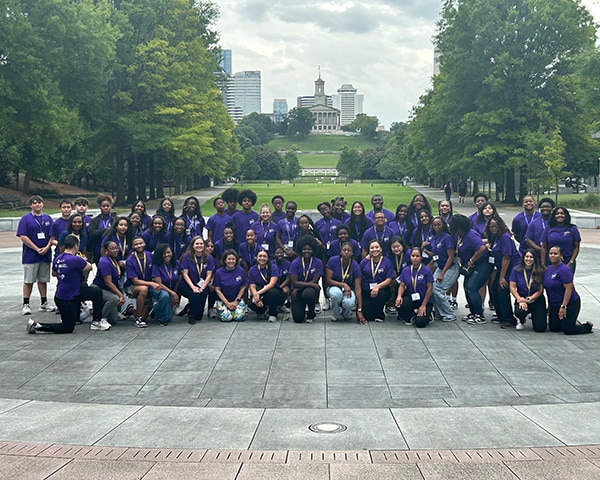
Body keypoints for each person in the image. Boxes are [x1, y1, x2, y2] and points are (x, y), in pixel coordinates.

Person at [27, 235, 103, 334]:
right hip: (68, 297)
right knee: (68, 327)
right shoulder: (75, 259)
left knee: (95, 292)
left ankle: (82, 317)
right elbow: (89, 267)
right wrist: (82, 259)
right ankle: (38, 325)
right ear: (76, 246)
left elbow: (54, 273)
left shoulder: (58, 258)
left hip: (63, 294)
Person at [449, 214, 493, 325]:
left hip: (482, 264)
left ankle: (479, 315)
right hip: (471, 266)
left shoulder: (471, 235)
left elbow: (481, 248)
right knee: (466, 287)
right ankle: (473, 312)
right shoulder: (459, 236)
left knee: (472, 287)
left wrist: (472, 260)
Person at [17, 195, 56, 315]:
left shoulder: (48, 218)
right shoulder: (25, 219)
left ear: (43, 204)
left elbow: (52, 235)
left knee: (43, 279)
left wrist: (47, 247)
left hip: (45, 254)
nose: (37, 205)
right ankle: (26, 304)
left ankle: (44, 302)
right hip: (31, 255)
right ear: (31, 205)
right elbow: (23, 236)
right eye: (34, 203)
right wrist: (36, 248)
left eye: (39, 202)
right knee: (29, 280)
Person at [544, 246, 592, 335]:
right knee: (554, 328)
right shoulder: (548, 269)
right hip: (555, 305)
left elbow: (569, 289)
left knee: (568, 329)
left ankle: (586, 326)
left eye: (555, 253)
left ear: (561, 256)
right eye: (551, 253)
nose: (552, 255)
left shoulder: (565, 270)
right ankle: (567, 320)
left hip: (569, 303)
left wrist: (563, 306)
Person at [485, 215, 521, 328]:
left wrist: (502, 277)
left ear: (500, 226)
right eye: (491, 227)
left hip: (511, 267)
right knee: (494, 289)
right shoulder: (495, 237)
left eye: (495, 226)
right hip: (502, 268)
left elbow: (506, 258)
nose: (493, 229)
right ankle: (500, 315)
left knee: (502, 289)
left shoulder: (505, 237)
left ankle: (509, 319)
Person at [325, 241, 364, 323]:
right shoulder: (333, 260)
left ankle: (345, 312)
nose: (346, 252)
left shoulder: (355, 265)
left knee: (349, 303)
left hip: (349, 290)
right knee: (336, 294)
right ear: (340, 252)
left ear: (352, 253)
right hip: (333, 287)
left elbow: (358, 288)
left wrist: (359, 309)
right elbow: (328, 280)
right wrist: (343, 284)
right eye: (344, 250)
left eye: (349, 250)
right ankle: (336, 313)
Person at [428, 216, 459, 322]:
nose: (436, 227)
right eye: (434, 225)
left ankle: (449, 314)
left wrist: (442, 273)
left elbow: (450, 257)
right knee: (432, 288)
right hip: (440, 266)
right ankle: (438, 313)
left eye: (439, 224)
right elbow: (435, 254)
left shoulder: (447, 238)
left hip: (451, 267)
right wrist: (423, 249)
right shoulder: (434, 237)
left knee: (438, 290)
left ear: (443, 225)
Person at [179, 236, 215, 324]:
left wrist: (202, 288)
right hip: (188, 284)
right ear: (193, 245)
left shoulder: (209, 258)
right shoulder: (187, 256)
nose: (199, 246)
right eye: (197, 244)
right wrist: (193, 287)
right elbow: (185, 274)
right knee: (195, 296)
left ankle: (189, 307)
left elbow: (209, 275)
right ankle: (190, 315)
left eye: (201, 244)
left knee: (199, 317)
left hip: (202, 285)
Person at [509, 249, 547, 332]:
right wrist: (520, 299)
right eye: (527, 257)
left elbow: (540, 291)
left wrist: (529, 299)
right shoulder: (516, 270)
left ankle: (536, 316)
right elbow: (512, 287)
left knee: (540, 328)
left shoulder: (540, 271)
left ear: (535, 259)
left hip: (536, 299)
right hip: (522, 298)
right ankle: (521, 320)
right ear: (523, 258)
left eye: (531, 257)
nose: (529, 259)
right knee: (520, 312)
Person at [396, 247, 434, 327]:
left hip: (424, 300)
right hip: (412, 298)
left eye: (417, 256)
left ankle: (429, 314)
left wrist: (423, 305)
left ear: (421, 257)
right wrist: (399, 296)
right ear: (410, 257)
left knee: (420, 323)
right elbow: (402, 285)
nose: (415, 258)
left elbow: (430, 288)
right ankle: (412, 315)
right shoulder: (406, 270)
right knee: (402, 303)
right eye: (413, 256)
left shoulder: (427, 271)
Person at [289, 236, 323, 323]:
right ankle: (302, 308)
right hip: (297, 291)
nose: (306, 251)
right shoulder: (295, 263)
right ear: (300, 250)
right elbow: (294, 282)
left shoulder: (318, 262)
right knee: (298, 319)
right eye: (304, 249)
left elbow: (315, 281)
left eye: (309, 249)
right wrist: (298, 289)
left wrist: (299, 288)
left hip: (309, 291)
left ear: (313, 250)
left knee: (308, 293)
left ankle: (311, 314)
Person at [359, 239, 395, 322]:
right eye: (372, 248)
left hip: (381, 290)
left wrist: (377, 287)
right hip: (366, 290)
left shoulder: (387, 262)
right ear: (369, 250)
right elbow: (359, 277)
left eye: (377, 247)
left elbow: (389, 279)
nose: (374, 249)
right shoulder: (364, 262)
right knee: (368, 317)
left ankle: (379, 312)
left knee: (380, 295)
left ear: (381, 249)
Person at [92, 240, 125, 329]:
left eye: (116, 248)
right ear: (106, 250)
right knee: (115, 298)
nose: (115, 250)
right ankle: (99, 319)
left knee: (113, 320)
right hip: (99, 288)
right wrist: (120, 295)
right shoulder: (104, 262)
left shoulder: (114, 260)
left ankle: (93, 311)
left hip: (108, 289)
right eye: (112, 249)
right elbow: (108, 282)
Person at [124, 237, 156, 328]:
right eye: (136, 244)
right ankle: (138, 318)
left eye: (141, 243)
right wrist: (151, 284)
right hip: (132, 286)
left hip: (148, 285)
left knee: (145, 317)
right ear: (133, 246)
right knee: (143, 289)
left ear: (144, 244)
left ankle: (131, 311)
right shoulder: (130, 260)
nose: (139, 246)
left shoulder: (150, 256)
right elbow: (135, 281)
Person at [248, 250, 285, 322]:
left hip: (273, 291)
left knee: (272, 293)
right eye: (260, 256)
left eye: (264, 256)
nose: (262, 258)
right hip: (260, 291)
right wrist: (255, 296)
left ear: (268, 258)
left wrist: (257, 293)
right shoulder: (252, 269)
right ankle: (262, 311)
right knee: (251, 303)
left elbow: (272, 284)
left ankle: (272, 313)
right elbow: (252, 286)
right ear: (256, 257)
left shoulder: (273, 267)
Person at [541, 206, 580, 271]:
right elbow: (544, 247)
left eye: (562, 213)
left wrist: (571, 262)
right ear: (554, 216)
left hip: (568, 262)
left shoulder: (572, 228)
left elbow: (576, 247)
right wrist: (543, 264)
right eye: (557, 213)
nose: (559, 215)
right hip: (551, 262)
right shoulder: (548, 228)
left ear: (566, 215)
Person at [213, 249, 248, 322]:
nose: (231, 261)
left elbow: (243, 287)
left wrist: (236, 301)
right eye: (229, 259)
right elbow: (217, 290)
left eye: (233, 259)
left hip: (237, 299)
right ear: (225, 260)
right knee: (227, 318)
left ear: (236, 260)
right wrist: (227, 303)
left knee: (238, 317)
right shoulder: (219, 272)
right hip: (223, 300)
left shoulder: (240, 271)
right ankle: (225, 311)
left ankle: (237, 310)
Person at [151, 243, 181, 326]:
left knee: (169, 316)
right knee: (165, 296)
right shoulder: (156, 265)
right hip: (159, 288)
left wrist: (175, 292)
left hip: (171, 289)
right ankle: (161, 317)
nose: (167, 255)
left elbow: (178, 279)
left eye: (168, 252)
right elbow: (159, 283)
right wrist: (173, 293)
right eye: (164, 253)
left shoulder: (176, 263)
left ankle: (157, 311)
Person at [87, 194, 117, 264]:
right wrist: (107, 230)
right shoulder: (95, 220)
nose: (106, 208)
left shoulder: (115, 219)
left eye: (108, 206)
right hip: (98, 250)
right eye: (103, 206)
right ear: (100, 207)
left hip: (114, 250)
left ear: (111, 206)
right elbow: (91, 233)